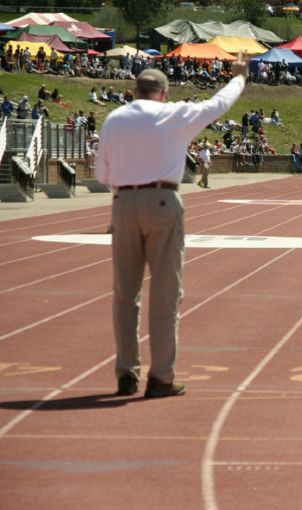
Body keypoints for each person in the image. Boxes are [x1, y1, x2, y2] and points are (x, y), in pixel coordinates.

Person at [95, 56, 247, 399]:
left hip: (122, 203)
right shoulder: (173, 114)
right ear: (163, 93)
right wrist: (239, 77)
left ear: (135, 92)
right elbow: (218, 104)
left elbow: (102, 175)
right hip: (162, 202)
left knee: (124, 295)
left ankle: (126, 373)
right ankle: (161, 376)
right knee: (165, 294)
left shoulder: (114, 119)